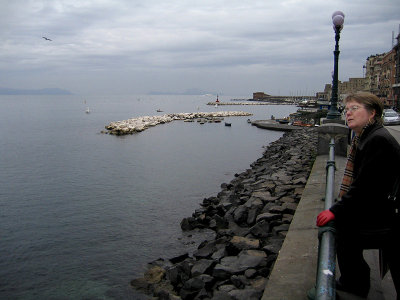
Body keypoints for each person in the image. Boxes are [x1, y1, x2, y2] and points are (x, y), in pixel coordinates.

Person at [316, 92, 400, 298]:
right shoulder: (370, 136)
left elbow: (365, 186)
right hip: (386, 209)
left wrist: (335, 210)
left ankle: (355, 283)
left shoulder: (376, 140)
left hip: (389, 217)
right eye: (347, 109)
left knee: (343, 233)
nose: (348, 114)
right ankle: (355, 281)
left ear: (372, 113)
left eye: (355, 108)